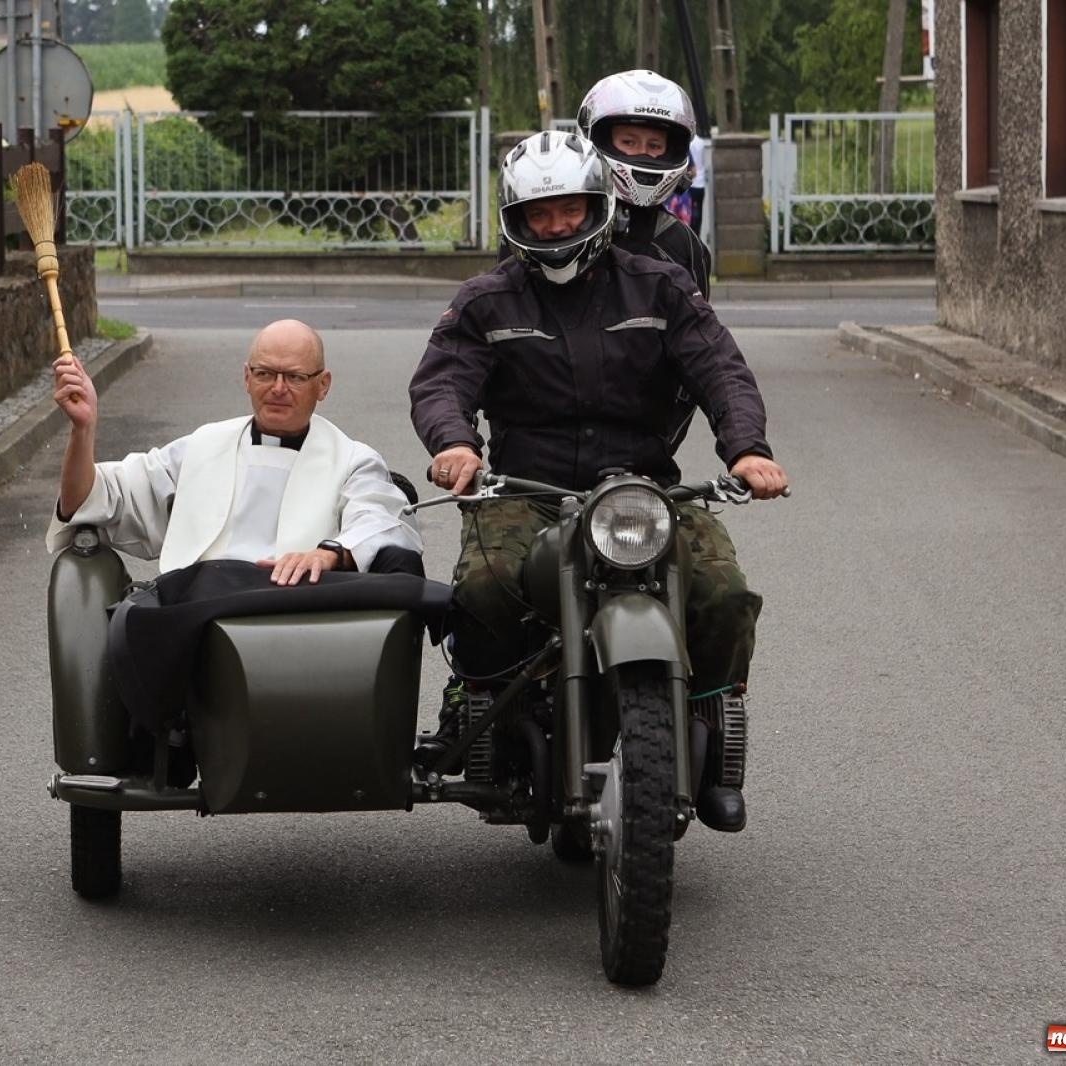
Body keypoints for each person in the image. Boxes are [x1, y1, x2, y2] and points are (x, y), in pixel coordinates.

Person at [408, 131, 788, 832]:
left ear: (599, 208)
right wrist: (455, 444)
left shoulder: (660, 285)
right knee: (485, 591)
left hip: (644, 489)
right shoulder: (486, 301)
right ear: (516, 222)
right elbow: (442, 382)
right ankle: (485, 700)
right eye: (539, 214)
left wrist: (747, 451)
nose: (556, 226)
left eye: (571, 210)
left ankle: (708, 724)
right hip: (526, 490)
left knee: (723, 596)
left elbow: (719, 368)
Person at [46, 318, 423, 579]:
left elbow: (381, 521)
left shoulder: (353, 460)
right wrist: (84, 428)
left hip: (305, 614)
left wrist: (329, 553)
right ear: (246, 377)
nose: (277, 388)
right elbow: (89, 500)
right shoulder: (200, 448)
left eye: (294, 377)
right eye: (264, 374)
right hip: (202, 607)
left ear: (322, 385)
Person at [577, 68, 712, 299]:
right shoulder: (562, 225)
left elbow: (699, 329)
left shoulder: (684, 244)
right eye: (628, 142)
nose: (642, 153)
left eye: (655, 146)